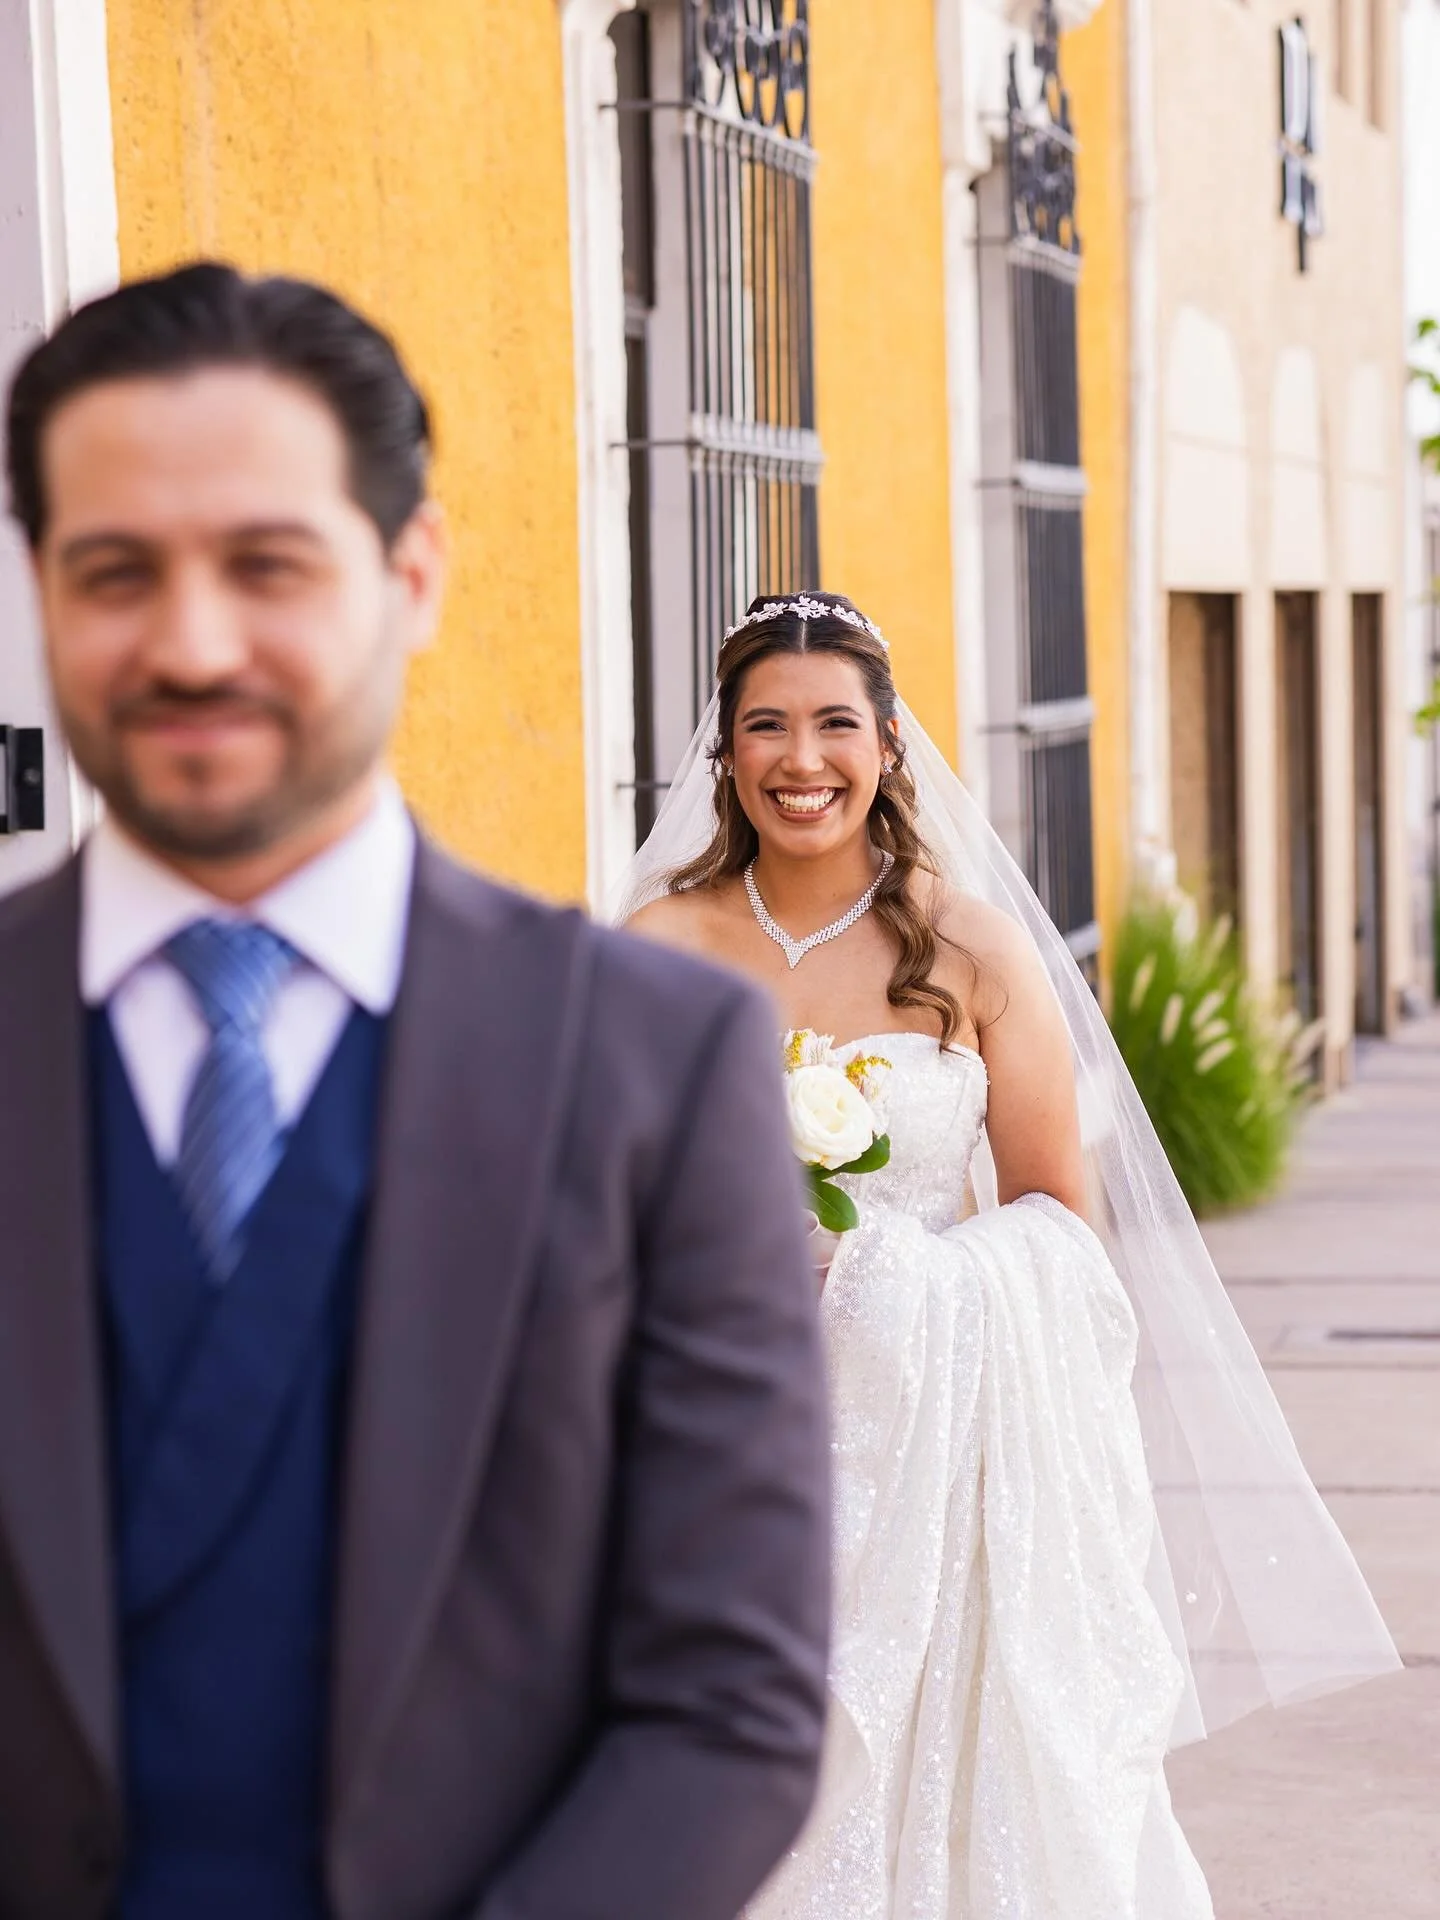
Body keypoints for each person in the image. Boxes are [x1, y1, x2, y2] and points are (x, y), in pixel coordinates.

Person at [0, 264, 832, 1920]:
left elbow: (729, 1709)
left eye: (268, 566)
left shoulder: (653, 1067)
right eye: (115, 573)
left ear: (415, 573)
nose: (191, 641)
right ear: (38, 587)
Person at [620, 591, 1400, 1918]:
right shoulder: (654, 947)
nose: (800, 761)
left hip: (937, 1445)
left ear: (887, 746)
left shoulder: (969, 948)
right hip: (716, 1432)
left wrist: (887, 1282)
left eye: (832, 725)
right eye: (765, 727)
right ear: (725, 754)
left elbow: (1060, 1229)